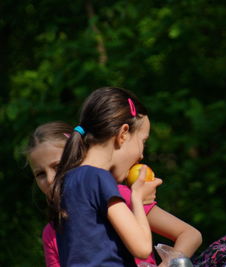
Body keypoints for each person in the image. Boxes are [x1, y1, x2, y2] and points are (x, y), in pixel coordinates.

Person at [43, 87, 201, 266]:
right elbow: (142, 248)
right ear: (123, 134)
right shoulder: (99, 178)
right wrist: (137, 198)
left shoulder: (70, 181)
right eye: (143, 142)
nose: (141, 155)